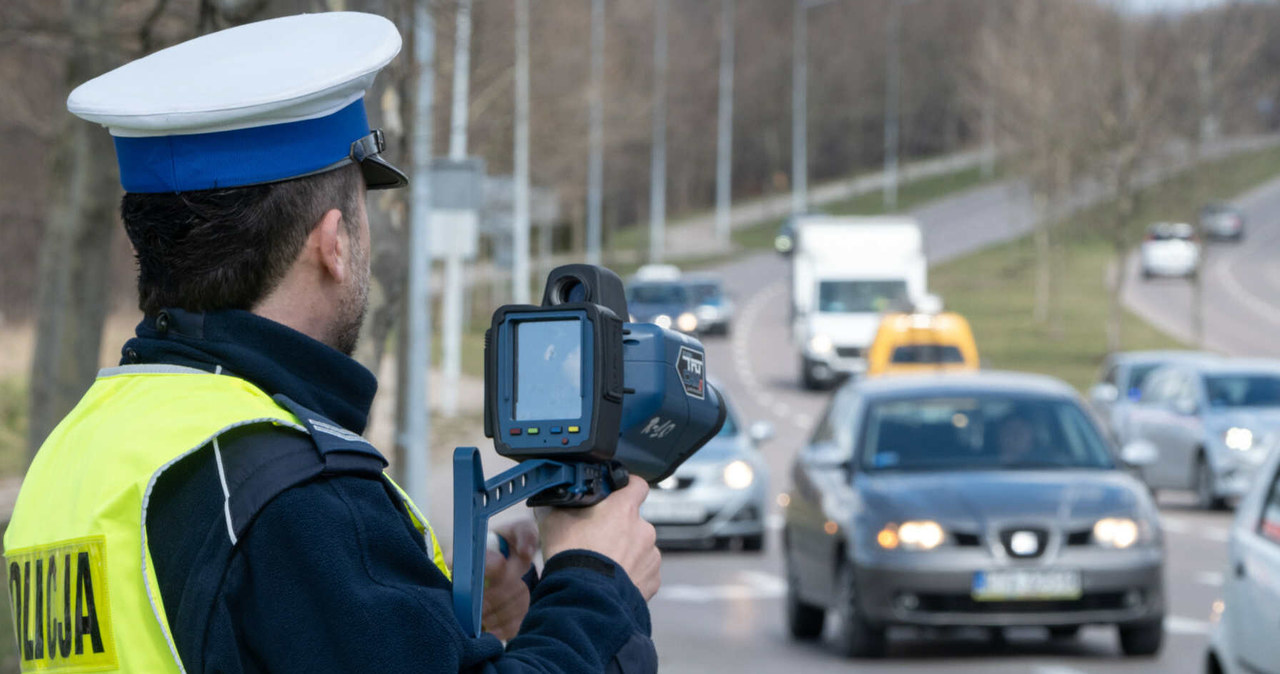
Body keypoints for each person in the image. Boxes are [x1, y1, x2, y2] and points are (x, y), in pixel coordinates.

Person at [4, 12, 660, 674]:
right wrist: (597, 583)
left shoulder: (73, 456)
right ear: (334, 242)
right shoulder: (285, 489)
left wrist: (437, 621)